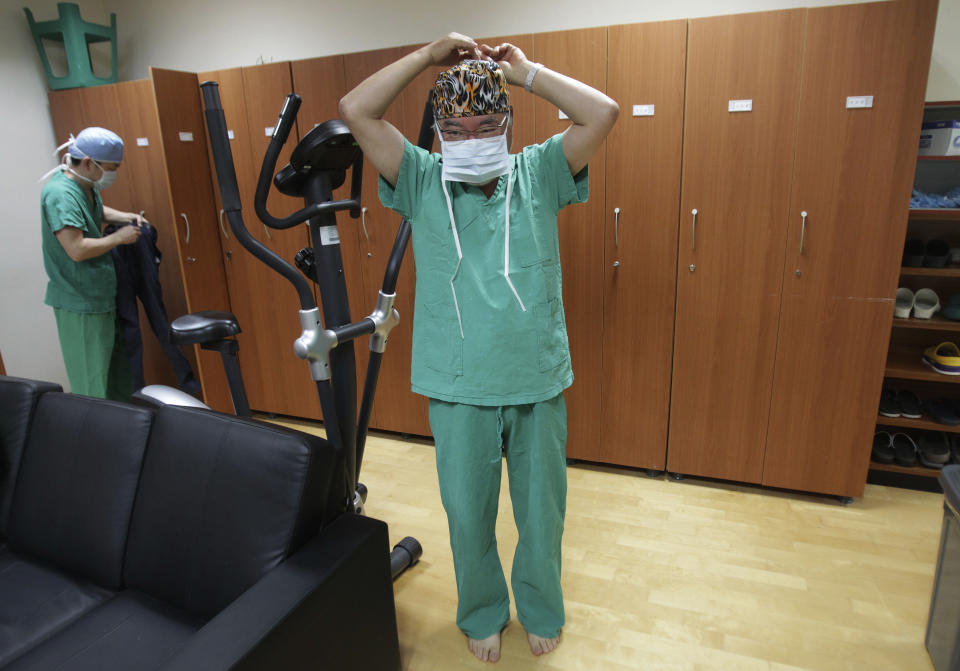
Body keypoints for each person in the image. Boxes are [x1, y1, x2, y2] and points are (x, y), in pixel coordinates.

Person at [340, 33, 618, 662]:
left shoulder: (540, 171)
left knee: (542, 518)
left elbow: (602, 113)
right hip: (458, 385)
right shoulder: (419, 178)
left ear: (510, 125)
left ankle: (542, 607)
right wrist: (424, 57)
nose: (473, 139)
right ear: (439, 132)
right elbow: (357, 109)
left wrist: (526, 73)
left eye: (488, 125)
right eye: (457, 129)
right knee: (469, 517)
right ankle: (483, 611)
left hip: (535, 380)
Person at [40, 126, 146, 400]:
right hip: (81, 303)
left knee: (117, 377)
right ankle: (94, 439)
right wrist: (120, 238)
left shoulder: (85, 184)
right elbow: (76, 249)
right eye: (112, 167)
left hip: (101, 297)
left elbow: (95, 211)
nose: (114, 174)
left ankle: (122, 431)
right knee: (93, 385)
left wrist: (124, 217)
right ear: (89, 163)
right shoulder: (60, 194)